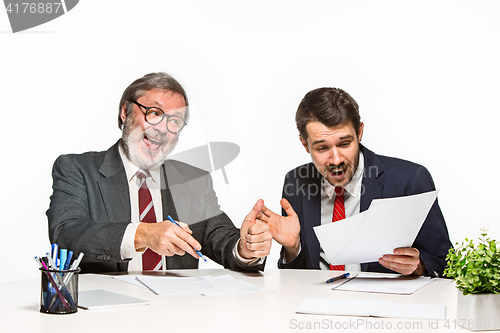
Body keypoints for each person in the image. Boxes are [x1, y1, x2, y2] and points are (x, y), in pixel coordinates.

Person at [47, 72, 272, 273]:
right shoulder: (77, 169)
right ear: (125, 111)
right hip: (108, 313)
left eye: (174, 121)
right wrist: (143, 234)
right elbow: (66, 234)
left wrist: (246, 247)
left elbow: (221, 238)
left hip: (175, 312)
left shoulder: (193, 180)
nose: (162, 129)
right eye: (154, 113)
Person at [259, 87, 452, 277]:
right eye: (322, 148)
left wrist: (418, 266)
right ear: (305, 144)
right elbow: (296, 280)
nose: (336, 160)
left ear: (359, 132)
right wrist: (292, 248)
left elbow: (446, 264)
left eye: (344, 144)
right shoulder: (296, 182)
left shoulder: (409, 180)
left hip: (381, 304)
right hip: (317, 303)